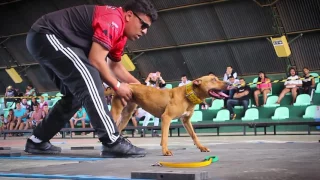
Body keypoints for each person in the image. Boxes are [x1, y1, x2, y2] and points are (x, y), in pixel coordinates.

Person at [24, 0, 158, 157]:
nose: (145, 32)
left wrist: (141, 88)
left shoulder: (121, 35)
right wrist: (117, 86)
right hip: (46, 34)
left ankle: (38, 140)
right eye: (143, 25)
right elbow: (96, 60)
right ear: (129, 15)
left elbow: (115, 67)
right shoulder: (113, 20)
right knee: (91, 79)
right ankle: (112, 142)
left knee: (75, 96)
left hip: (49, 41)